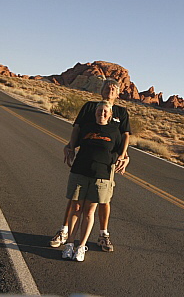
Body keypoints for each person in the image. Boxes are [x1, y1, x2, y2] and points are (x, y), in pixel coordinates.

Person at [50, 78, 131, 254]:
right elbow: (78, 129)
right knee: (75, 198)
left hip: (107, 162)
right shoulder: (89, 107)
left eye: (114, 88)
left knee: (103, 200)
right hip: (85, 159)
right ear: (101, 90)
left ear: (118, 94)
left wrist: (124, 156)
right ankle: (64, 231)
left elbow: (125, 136)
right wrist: (70, 146)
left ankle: (103, 234)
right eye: (107, 87)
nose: (110, 90)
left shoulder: (122, 112)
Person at [61, 100, 123, 261]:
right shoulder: (86, 127)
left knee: (89, 211)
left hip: (100, 176)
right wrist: (68, 148)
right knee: (76, 207)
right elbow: (73, 143)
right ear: (95, 112)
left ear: (110, 115)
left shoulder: (115, 132)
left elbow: (120, 152)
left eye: (105, 112)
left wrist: (125, 159)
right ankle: (69, 244)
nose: (101, 113)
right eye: (99, 111)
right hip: (80, 171)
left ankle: (81, 247)